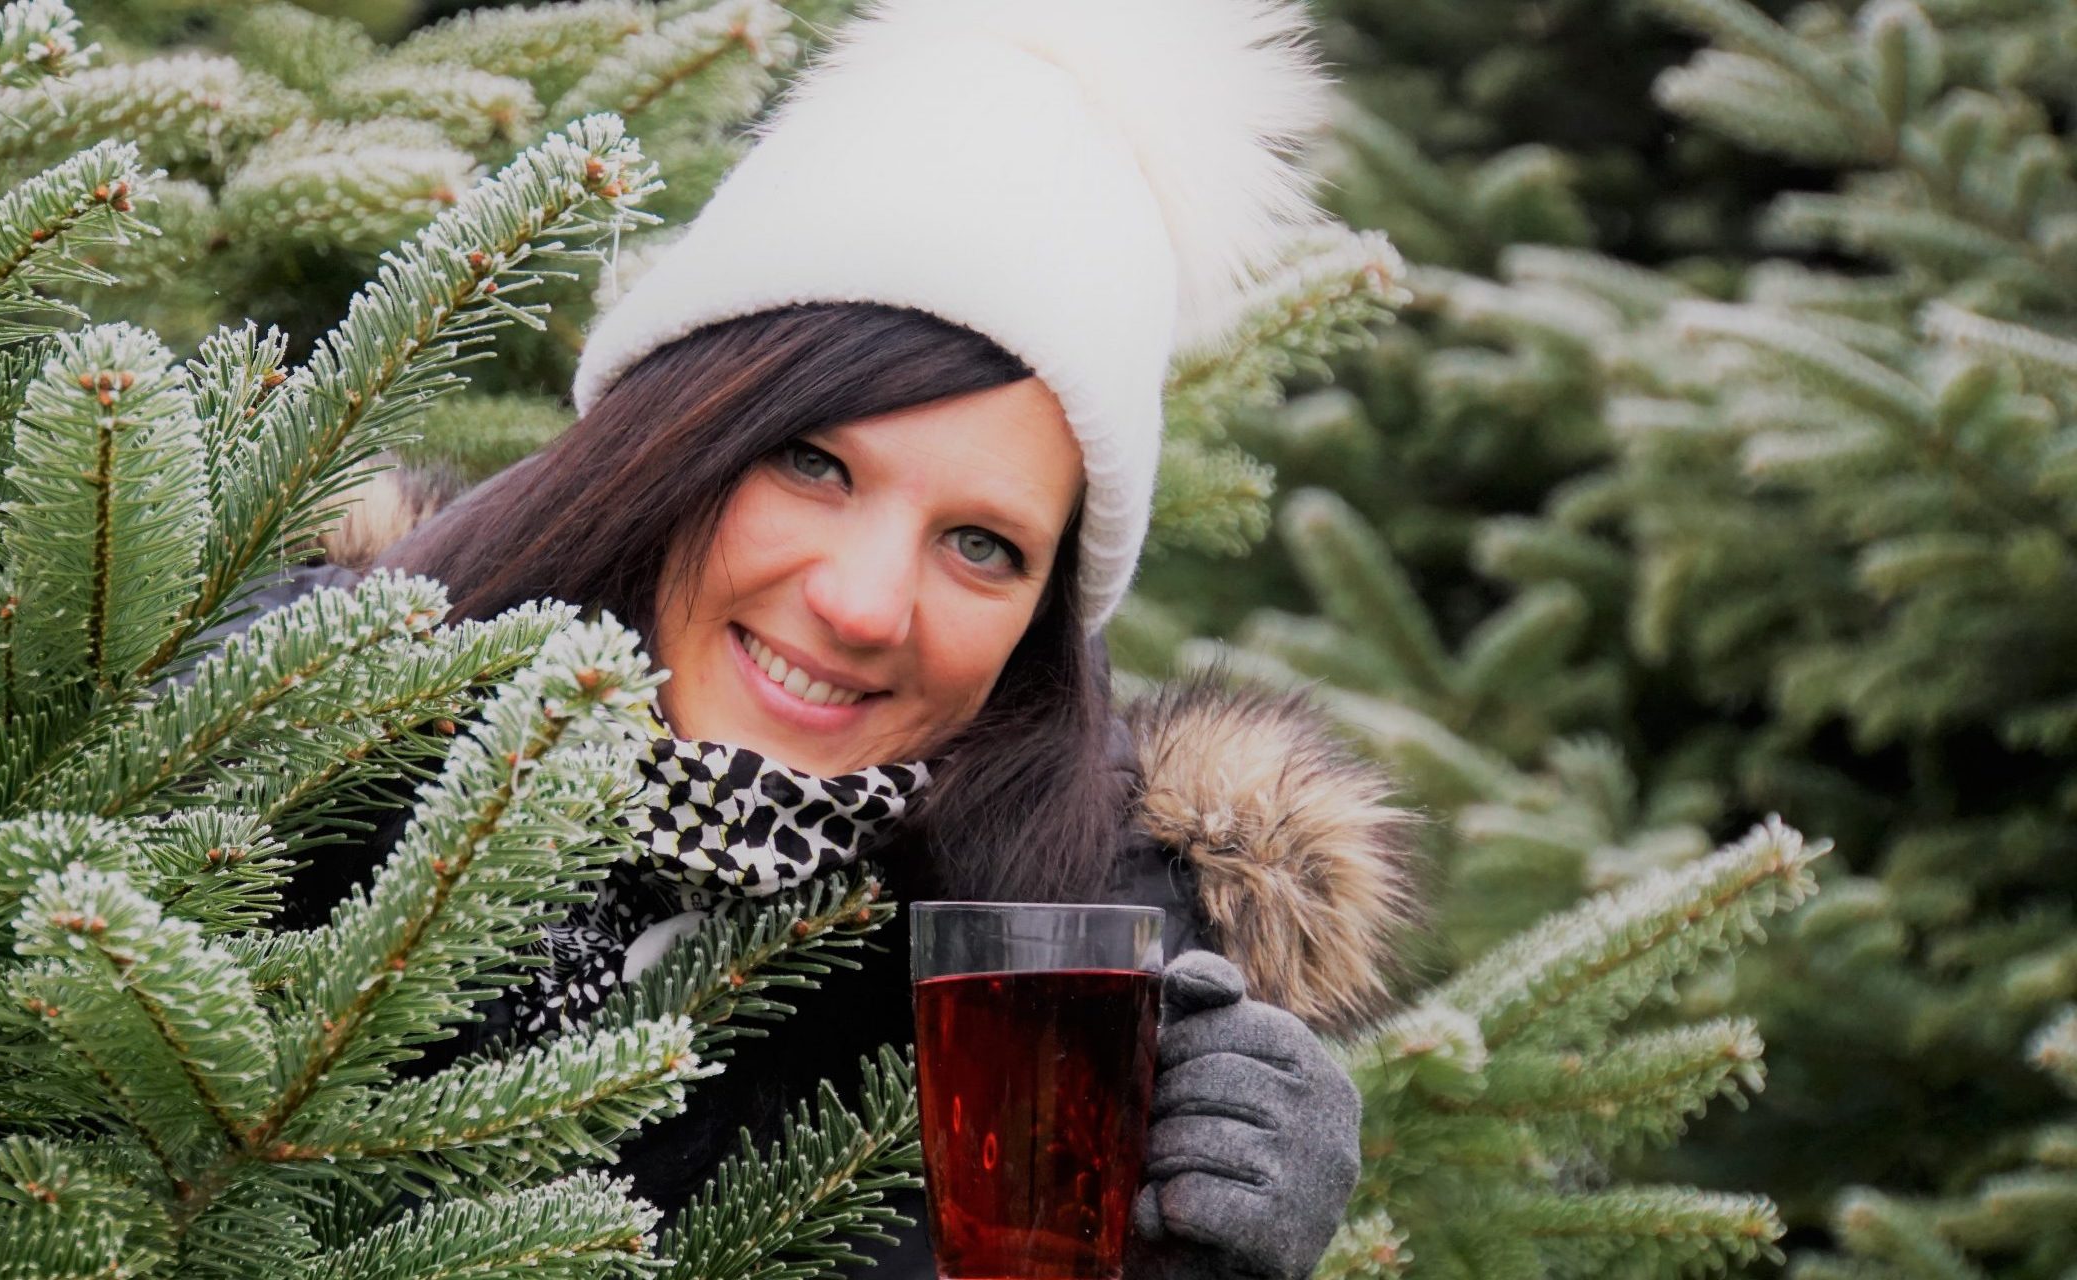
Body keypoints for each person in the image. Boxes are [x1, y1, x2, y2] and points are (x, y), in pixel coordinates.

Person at [230, 1, 1424, 1276]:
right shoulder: (267, 736)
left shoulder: (1066, 990)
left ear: (1040, 624)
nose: (862, 605)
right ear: (670, 438)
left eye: (982, 545)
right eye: (812, 464)